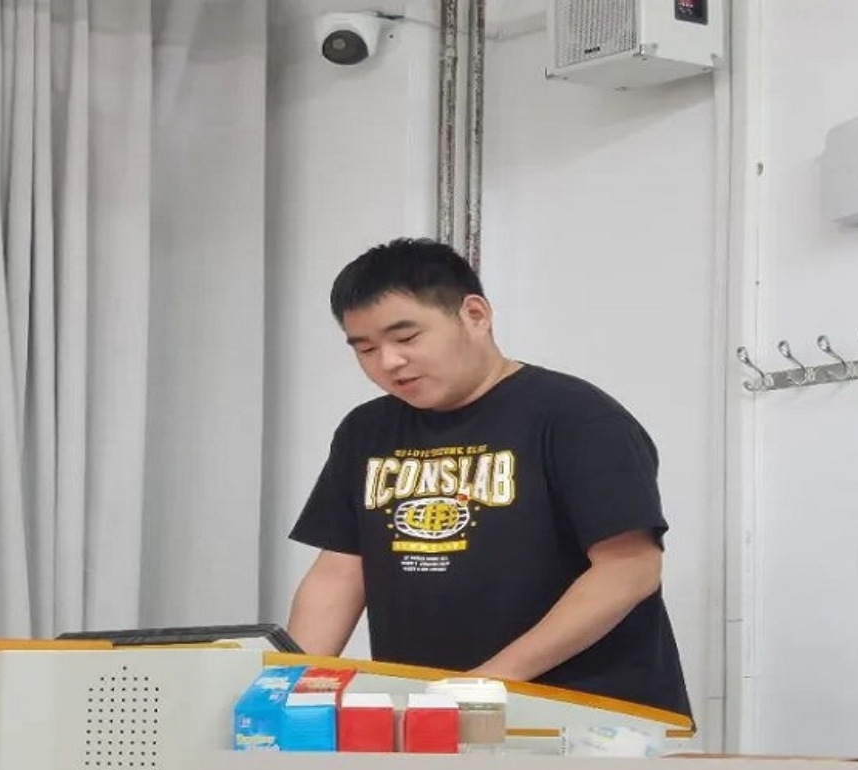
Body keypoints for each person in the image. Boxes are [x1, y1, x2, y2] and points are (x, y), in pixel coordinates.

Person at [285, 237, 692, 718]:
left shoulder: (574, 416)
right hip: (434, 717)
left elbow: (629, 568)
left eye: (407, 338)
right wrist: (290, 686)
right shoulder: (367, 430)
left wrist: (490, 681)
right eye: (367, 349)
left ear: (475, 315)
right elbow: (339, 571)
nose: (388, 362)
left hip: (587, 716)